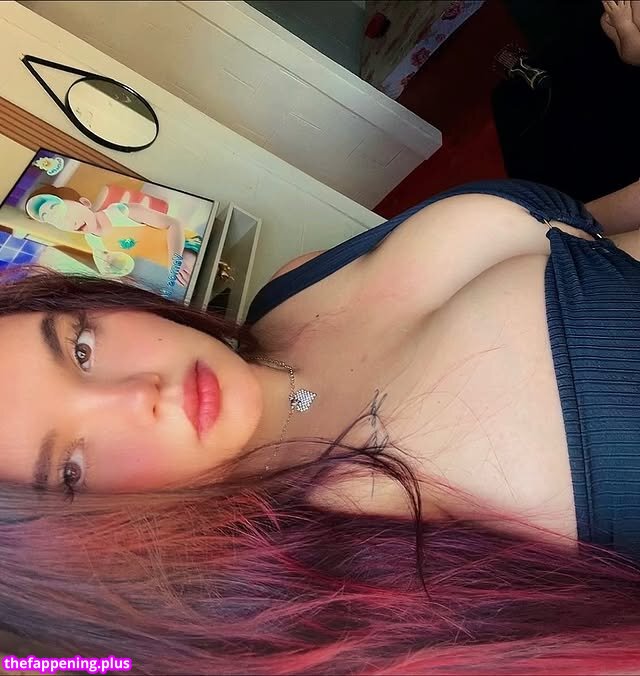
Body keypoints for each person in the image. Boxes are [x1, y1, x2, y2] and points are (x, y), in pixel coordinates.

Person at [3, 178, 640, 674]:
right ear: (93, 546)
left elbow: (587, 237)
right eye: (71, 468)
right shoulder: (394, 584)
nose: (138, 394)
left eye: (80, 348)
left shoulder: (287, 292)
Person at [24, 184, 200, 285]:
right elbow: (117, 277)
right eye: (60, 222)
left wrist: (176, 259)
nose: (72, 223)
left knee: (191, 270)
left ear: (84, 202)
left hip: (186, 246)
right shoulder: (94, 244)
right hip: (166, 270)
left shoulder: (121, 212)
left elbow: (174, 224)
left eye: (69, 214)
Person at [601, 0, 640, 65]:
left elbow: (634, 56)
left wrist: (623, 24)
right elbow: (635, 56)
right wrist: (624, 24)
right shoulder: (608, 21)